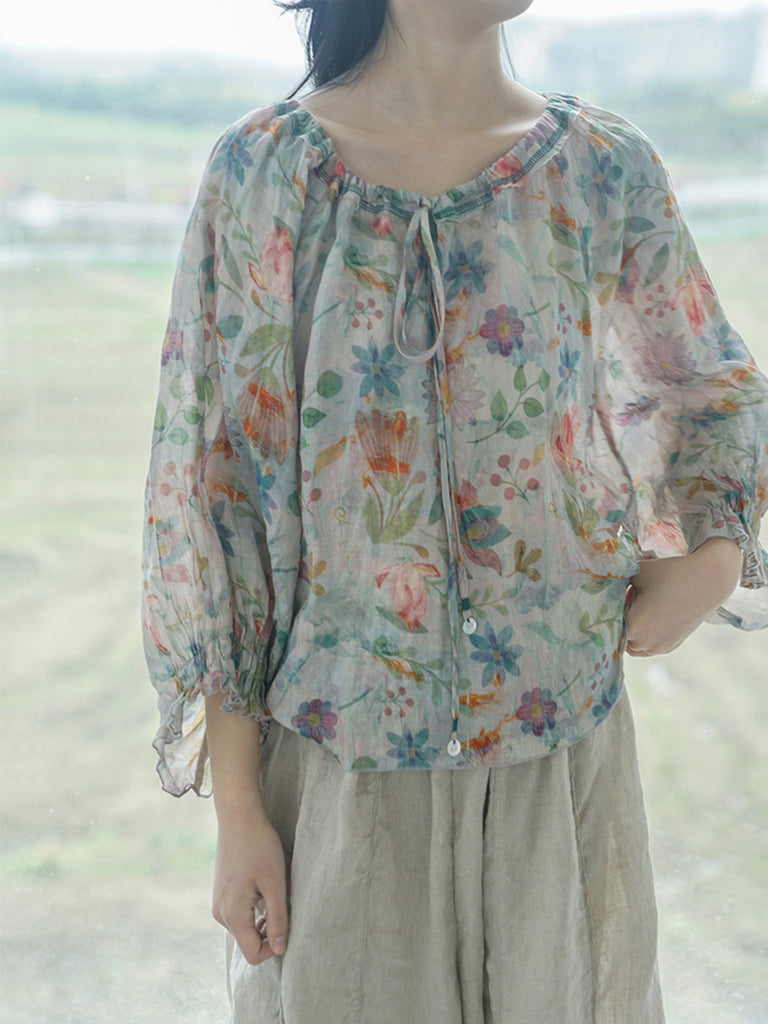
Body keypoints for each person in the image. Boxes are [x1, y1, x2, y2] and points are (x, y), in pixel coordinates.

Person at [141, 1, 768, 1020]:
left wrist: (713, 555)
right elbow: (222, 500)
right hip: (344, 777)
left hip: (559, 764)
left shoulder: (603, 167)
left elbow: (711, 388)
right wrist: (241, 811)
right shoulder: (264, 176)